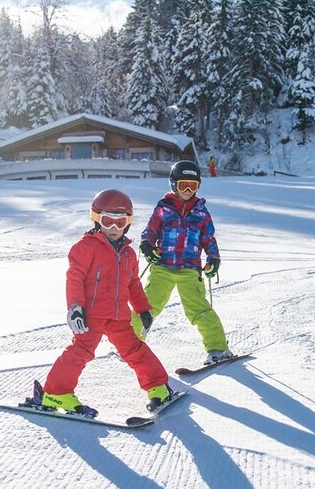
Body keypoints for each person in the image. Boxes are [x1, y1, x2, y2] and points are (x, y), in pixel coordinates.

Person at [34, 189, 173, 414]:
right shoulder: (86, 247)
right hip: (92, 316)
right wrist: (76, 308)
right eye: (108, 222)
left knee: (135, 349)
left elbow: (133, 285)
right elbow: (75, 278)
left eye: (121, 222)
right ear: (97, 219)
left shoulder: (128, 253)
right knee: (81, 351)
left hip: (119, 316)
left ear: (128, 223)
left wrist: (143, 309)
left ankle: (158, 386)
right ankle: (56, 394)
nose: (114, 228)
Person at [133, 159, 233, 365]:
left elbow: (208, 239)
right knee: (146, 306)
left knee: (198, 309)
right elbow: (150, 231)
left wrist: (213, 257)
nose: (188, 190)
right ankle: (131, 342)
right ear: (173, 185)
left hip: (190, 269)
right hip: (163, 267)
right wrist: (147, 246)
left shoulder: (202, 213)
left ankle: (218, 348)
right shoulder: (163, 209)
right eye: (183, 185)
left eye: (193, 186)